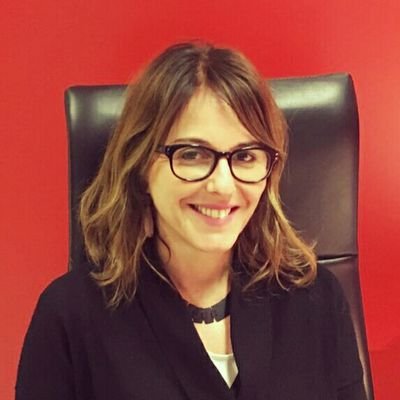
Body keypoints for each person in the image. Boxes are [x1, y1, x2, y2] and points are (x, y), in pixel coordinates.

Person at [16, 42, 367, 400]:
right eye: (192, 154)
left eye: (245, 156)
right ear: (140, 165)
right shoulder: (69, 318)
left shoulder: (316, 299)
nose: (222, 185)